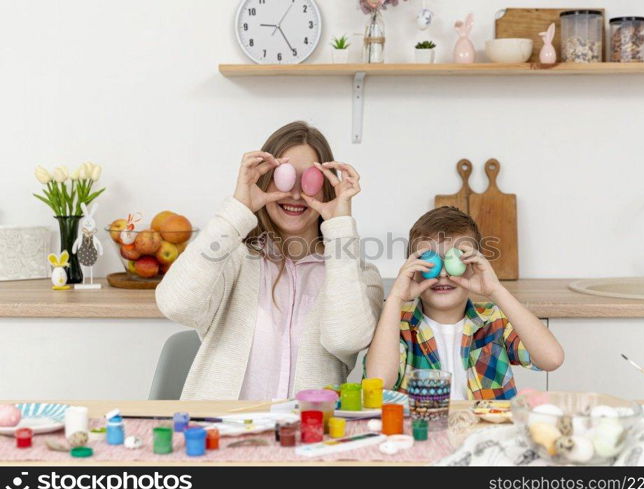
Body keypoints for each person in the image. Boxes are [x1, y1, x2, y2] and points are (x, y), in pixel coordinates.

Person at [157, 121, 383, 399]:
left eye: (310, 181)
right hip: (220, 431)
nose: (297, 194)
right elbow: (175, 304)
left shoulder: (356, 273)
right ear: (265, 180)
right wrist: (238, 208)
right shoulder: (233, 259)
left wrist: (340, 226)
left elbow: (346, 339)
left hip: (308, 435)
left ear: (326, 188)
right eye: (285, 177)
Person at [365, 206, 564, 399]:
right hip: (423, 431)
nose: (442, 274)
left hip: (485, 430)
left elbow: (551, 359)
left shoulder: (493, 321)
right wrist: (395, 298)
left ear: (473, 266)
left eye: (455, 262)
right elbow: (379, 383)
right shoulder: (397, 323)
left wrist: (496, 290)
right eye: (430, 262)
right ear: (412, 269)